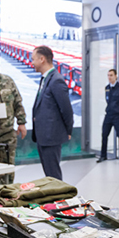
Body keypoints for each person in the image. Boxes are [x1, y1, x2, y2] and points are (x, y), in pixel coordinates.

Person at [0, 52, 27, 185]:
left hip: (7, 135)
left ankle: (8, 198)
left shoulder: (7, 81)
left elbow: (18, 102)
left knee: (8, 173)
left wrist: (22, 123)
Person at [31, 45, 73, 180]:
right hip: (43, 136)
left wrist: (68, 131)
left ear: (42, 59)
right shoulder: (45, 79)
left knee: (53, 175)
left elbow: (66, 109)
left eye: (33, 59)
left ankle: (59, 199)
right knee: (49, 175)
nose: (32, 63)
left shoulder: (56, 80)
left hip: (51, 137)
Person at [98, 69, 119, 164]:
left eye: (111, 75)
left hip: (117, 116)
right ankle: (103, 156)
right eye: (108, 75)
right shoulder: (107, 88)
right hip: (108, 115)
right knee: (104, 135)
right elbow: (108, 100)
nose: (109, 77)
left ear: (116, 76)